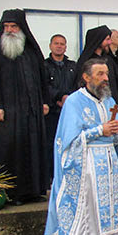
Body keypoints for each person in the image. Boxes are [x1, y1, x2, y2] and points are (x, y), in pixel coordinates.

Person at [39, 59, 118, 235]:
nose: (105, 78)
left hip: (108, 166)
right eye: (100, 74)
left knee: (107, 217)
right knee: (87, 219)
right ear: (86, 77)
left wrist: (116, 132)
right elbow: (68, 142)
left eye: (106, 74)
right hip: (86, 169)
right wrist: (100, 130)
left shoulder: (109, 100)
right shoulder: (74, 102)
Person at [0, 9, 49, 204]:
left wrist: (44, 101)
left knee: (33, 149)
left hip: (32, 111)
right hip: (9, 112)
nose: (10, 30)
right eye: (6, 26)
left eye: (13, 26)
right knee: (12, 151)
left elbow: (42, 77)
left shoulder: (32, 50)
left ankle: (34, 191)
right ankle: (12, 193)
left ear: (22, 28)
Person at [43, 34, 77, 188]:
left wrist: (69, 99)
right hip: (52, 112)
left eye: (62, 44)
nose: (59, 46)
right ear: (50, 46)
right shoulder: (44, 66)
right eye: (56, 43)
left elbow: (77, 85)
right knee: (51, 144)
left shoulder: (72, 66)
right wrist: (58, 97)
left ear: (66, 47)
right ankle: (51, 177)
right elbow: (43, 86)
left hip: (69, 112)